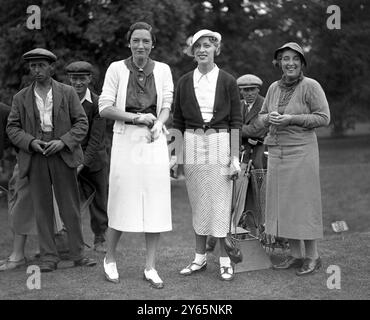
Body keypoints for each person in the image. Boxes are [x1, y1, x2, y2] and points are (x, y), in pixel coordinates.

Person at [6, 48, 96, 272]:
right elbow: (12, 127)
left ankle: (78, 254)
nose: (36, 70)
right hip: (35, 156)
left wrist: (64, 142)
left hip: (62, 155)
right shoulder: (21, 97)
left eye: (41, 65)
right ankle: (48, 258)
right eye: (33, 66)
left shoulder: (67, 92)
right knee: (42, 209)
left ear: (51, 67)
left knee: (70, 206)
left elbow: (81, 123)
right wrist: (30, 142)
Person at [99, 22, 173, 289]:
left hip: (154, 140)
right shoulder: (116, 69)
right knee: (120, 199)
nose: (140, 45)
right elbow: (105, 108)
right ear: (128, 43)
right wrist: (137, 117)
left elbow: (166, 104)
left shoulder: (163, 70)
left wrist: (156, 124)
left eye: (146, 41)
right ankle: (109, 259)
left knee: (156, 202)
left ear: (153, 44)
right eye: (136, 41)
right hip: (125, 139)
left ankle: (151, 267)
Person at [173, 29, 242, 281]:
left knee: (220, 202)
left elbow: (236, 120)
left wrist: (234, 156)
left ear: (216, 49)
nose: (202, 50)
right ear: (193, 52)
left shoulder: (227, 80)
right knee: (198, 201)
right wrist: (175, 156)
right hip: (192, 142)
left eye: (207, 46)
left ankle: (224, 260)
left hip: (220, 141)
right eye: (197, 46)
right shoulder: (183, 82)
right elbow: (177, 121)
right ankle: (199, 259)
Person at [257, 42, 330, 276]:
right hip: (277, 152)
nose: (289, 63)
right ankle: (296, 255)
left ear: (301, 63)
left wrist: (292, 119)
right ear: (279, 62)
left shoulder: (311, 86)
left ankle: (313, 256)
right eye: (284, 59)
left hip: (302, 151)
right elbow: (261, 117)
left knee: (303, 203)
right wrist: (270, 117)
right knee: (283, 204)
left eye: (294, 59)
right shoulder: (273, 88)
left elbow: (323, 117)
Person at [66, 61, 109, 252]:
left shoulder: (99, 103)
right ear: (69, 79)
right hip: (69, 158)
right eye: (74, 79)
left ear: (89, 79)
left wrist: (83, 162)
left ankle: (100, 238)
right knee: (68, 200)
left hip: (95, 159)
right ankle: (71, 240)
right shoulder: (63, 101)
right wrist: (72, 160)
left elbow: (96, 139)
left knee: (99, 200)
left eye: (82, 78)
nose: (78, 83)